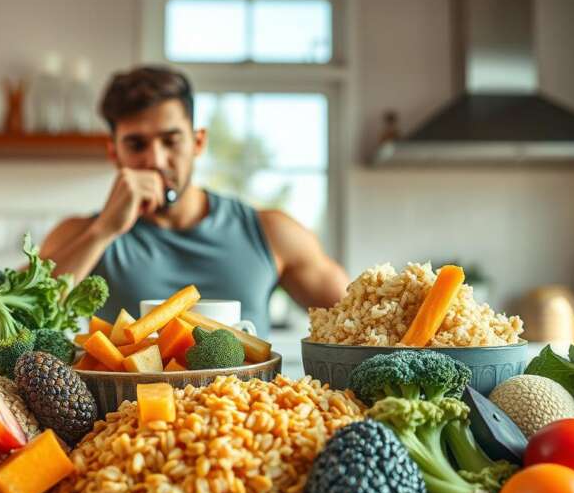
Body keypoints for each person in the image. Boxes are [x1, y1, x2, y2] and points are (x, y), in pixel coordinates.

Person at [40, 65, 348, 337]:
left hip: (243, 404)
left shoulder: (271, 231)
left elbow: (360, 320)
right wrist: (104, 230)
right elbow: (17, 318)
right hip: (130, 405)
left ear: (198, 142)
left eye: (171, 141)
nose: (155, 159)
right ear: (114, 154)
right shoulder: (81, 235)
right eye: (136, 144)